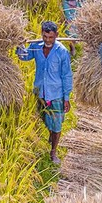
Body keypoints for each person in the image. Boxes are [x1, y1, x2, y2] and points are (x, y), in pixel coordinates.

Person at [17, 21, 73, 165]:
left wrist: (66, 98)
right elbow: (24, 57)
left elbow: (67, 75)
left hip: (56, 94)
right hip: (40, 92)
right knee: (44, 119)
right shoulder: (36, 47)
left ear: (57, 36)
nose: (48, 40)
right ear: (41, 33)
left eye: (51, 37)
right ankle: (51, 134)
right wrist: (19, 45)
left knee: (57, 125)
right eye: (45, 36)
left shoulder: (62, 52)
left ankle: (53, 152)